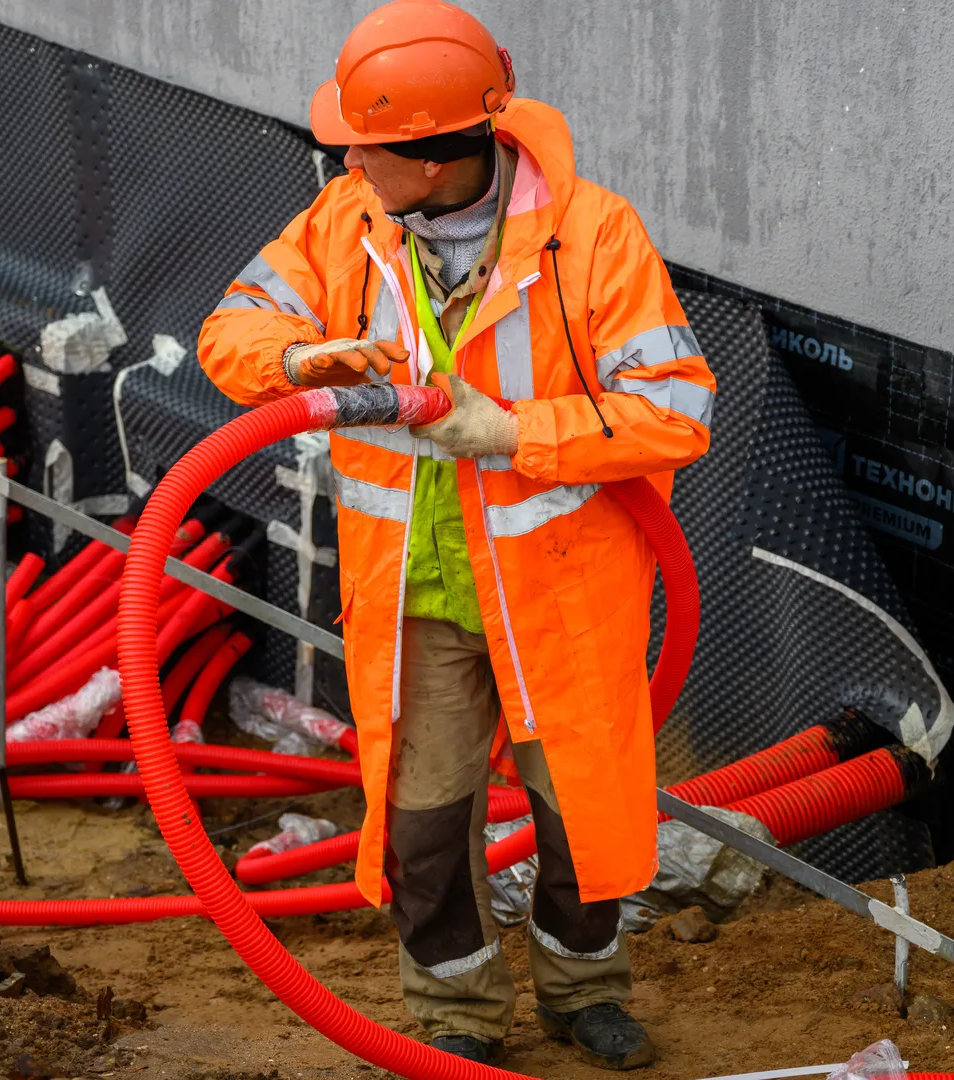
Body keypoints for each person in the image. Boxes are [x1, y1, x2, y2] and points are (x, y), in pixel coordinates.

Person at [197, 0, 715, 1068]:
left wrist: (516, 431)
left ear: (429, 162)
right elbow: (232, 329)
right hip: (414, 593)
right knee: (426, 824)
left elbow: (678, 407)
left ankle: (583, 994)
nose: (341, 157)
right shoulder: (349, 224)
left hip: (559, 595)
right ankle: (459, 1016)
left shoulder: (593, 236)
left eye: (359, 144)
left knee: (580, 818)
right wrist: (304, 361)